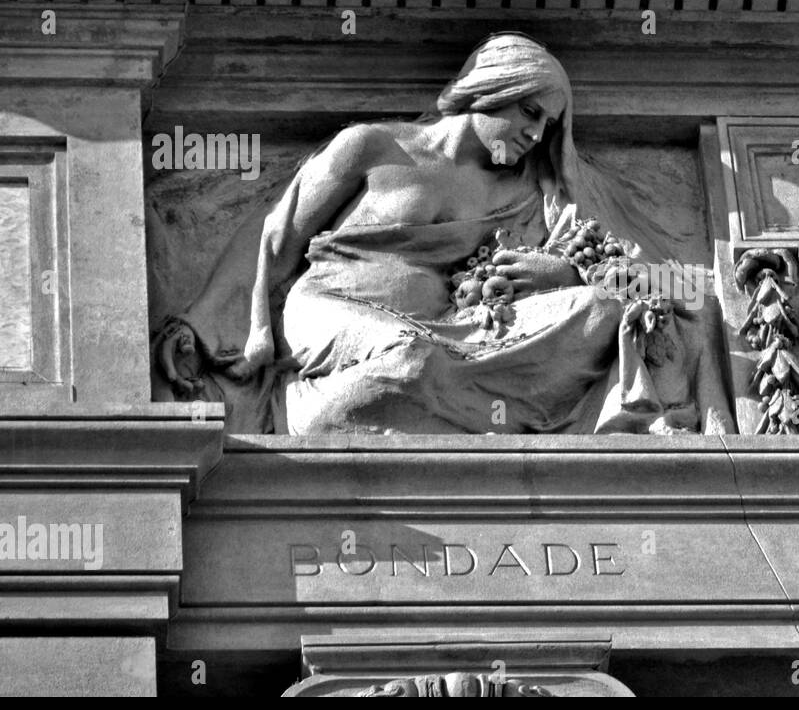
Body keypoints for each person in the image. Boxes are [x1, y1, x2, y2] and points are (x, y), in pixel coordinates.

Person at [154, 33, 734, 435]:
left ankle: (382, 413)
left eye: (548, 124)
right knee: (410, 357)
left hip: (460, 336)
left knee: (601, 309)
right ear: (491, 89)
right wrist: (211, 324)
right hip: (331, 312)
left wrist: (563, 272)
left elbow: (648, 276)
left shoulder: (532, 194)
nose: (536, 134)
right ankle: (348, 409)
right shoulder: (375, 147)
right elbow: (275, 238)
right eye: (529, 112)